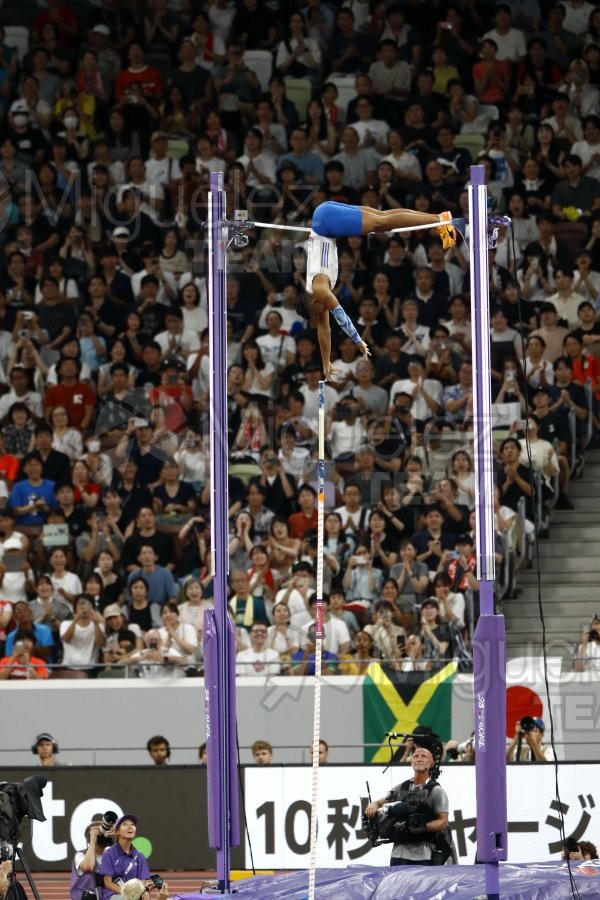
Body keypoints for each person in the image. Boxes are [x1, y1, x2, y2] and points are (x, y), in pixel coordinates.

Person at [296, 201, 458, 378]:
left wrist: (358, 342)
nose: (321, 315)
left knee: (383, 223)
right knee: (383, 219)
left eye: (317, 312)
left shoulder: (319, 289)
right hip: (326, 219)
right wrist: (326, 362)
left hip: (327, 221)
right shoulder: (316, 299)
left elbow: (341, 316)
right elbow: (323, 331)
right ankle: (440, 220)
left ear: (314, 300)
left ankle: (440, 220)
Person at [364, 744, 454, 866]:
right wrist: (372, 806)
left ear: (431, 763)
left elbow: (443, 822)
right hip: (398, 853)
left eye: (424, 756)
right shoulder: (402, 787)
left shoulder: (436, 791)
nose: (419, 758)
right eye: (415, 756)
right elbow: (380, 802)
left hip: (424, 854)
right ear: (411, 762)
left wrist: (424, 827)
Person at [97, 814, 150, 898]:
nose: (130, 827)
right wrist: (126, 894)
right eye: (125, 824)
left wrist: (138, 894)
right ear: (117, 831)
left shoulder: (140, 857)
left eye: (132, 825)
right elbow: (107, 883)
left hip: (134, 896)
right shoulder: (109, 854)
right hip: (114, 896)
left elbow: (142, 882)